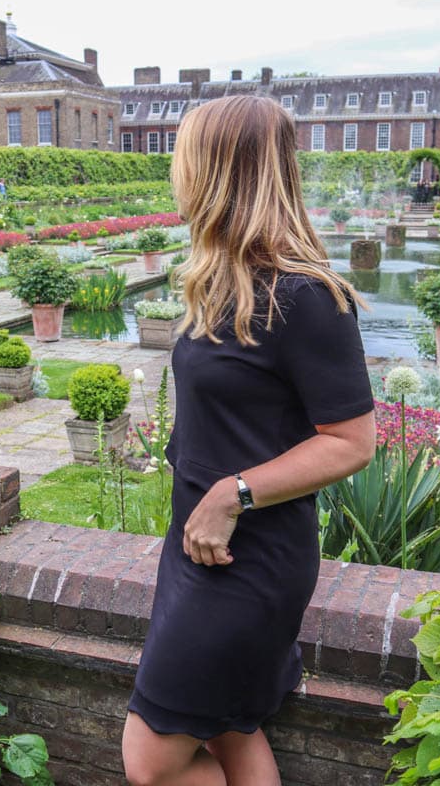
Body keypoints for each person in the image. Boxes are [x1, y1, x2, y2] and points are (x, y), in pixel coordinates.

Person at [121, 95, 376, 785]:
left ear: (220, 170)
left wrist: (233, 494)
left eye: (185, 155)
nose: (175, 171)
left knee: (151, 763)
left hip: (250, 559)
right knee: (233, 728)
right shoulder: (223, 281)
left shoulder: (308, 297)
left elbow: (352, 442)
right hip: (197, 549)